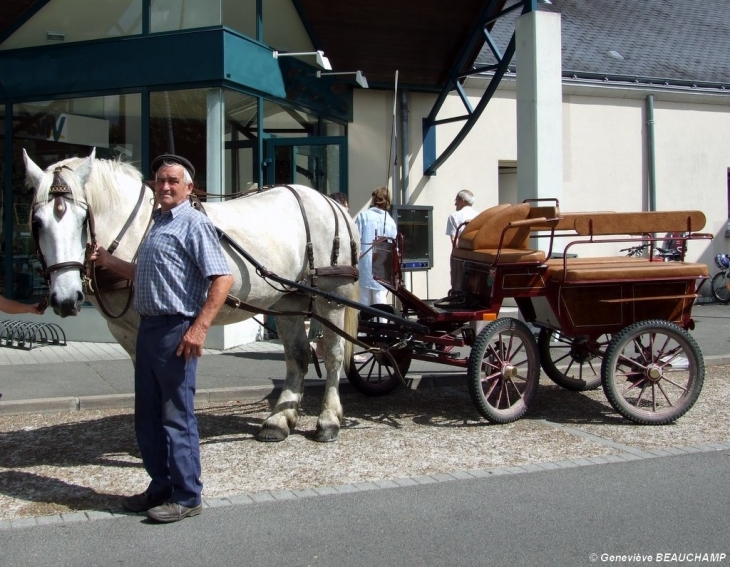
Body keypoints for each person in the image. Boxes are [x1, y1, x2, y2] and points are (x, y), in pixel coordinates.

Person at [89, 154, 233, 524]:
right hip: (150, 328)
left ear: (188, 187)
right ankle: (160, 486)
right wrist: (107, 261)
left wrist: (199, 328)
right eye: (159, 180)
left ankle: (187, 495)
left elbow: (222, 278)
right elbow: (143, 272)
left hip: (176, 330)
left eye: (172, 180)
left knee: (176, 416)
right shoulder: (157, 223)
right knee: (148, 415)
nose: (164, 186)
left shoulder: (194, 224)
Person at [354, 186, 397, 306]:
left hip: (364, 264)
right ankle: (382, 324)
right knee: (380, 301)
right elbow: (394, 247)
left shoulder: (364, 216)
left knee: (363, 301)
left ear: (374, 199)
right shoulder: (391, 222)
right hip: (383, 265)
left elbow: (355, 239)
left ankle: (364, 324)